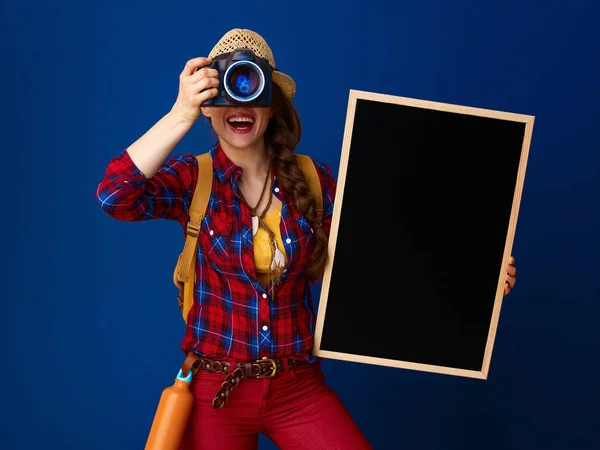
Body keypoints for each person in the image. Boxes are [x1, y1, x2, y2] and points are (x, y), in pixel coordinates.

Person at [94, 28, 517, 450]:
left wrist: (475, 280)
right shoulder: (194, 179)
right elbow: (114, 195)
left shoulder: (314, 182)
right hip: (215, 391)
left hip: (296, 387)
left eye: (252, 88)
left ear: (273, 106)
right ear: (208, 104)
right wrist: (179, 114)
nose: (239, 103)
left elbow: (383, 259)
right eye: (226, 89)